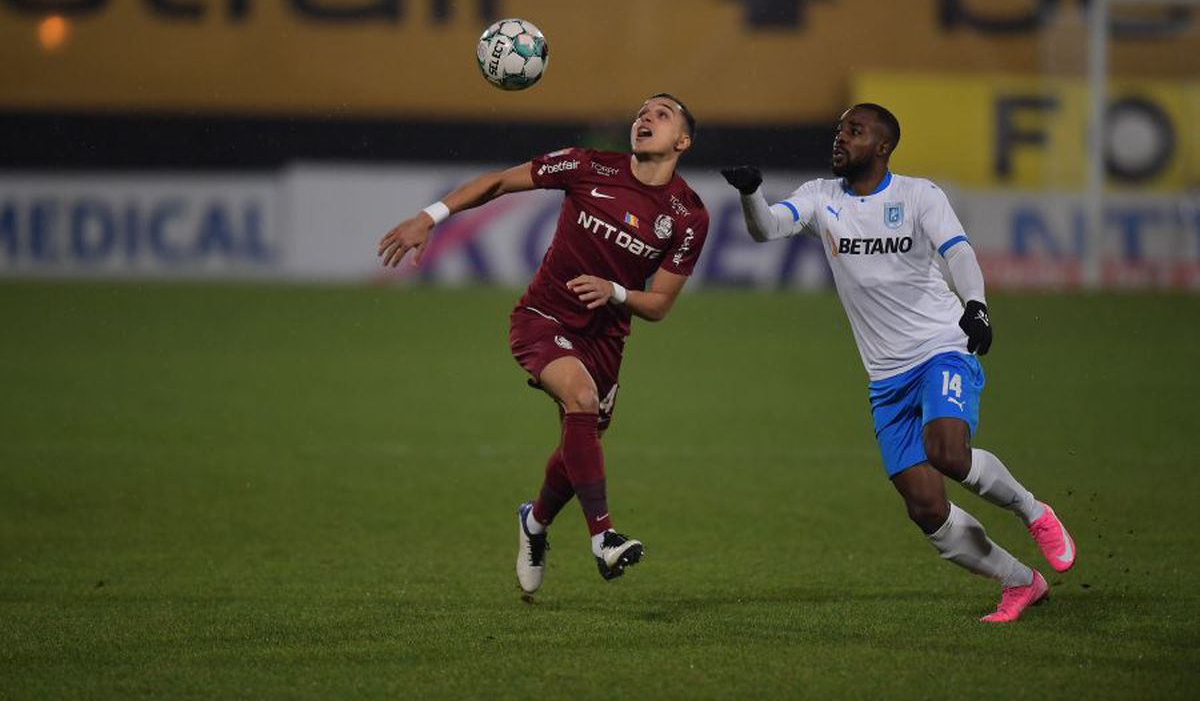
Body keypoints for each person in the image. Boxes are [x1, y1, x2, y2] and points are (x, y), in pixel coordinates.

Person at [721, 103, 1076, 623]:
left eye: (855, 131)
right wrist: (752, 192)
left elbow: (959, 252)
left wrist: (976, 304)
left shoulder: (918, 195)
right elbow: (767, 229)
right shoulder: (822, 197)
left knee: (949, 452)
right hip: (886, 378)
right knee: (926, 508)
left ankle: (1034, 512)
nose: (840, 138)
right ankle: (1021, 583)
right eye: (840, 129)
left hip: (941, 346)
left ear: (883, 146)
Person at [379, 94, 709, 594]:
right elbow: (496, 183)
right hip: (542, 317)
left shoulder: (687, 216)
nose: (645, 118)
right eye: (642, 111)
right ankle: (603, 537)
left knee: (578, 441)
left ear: (681, 141)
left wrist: (615, 291)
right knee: (581, 399)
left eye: (661, 115)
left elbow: (660, 304)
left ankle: (534, 522)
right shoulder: (586, 165)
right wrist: (430, 215)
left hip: (605, 337)